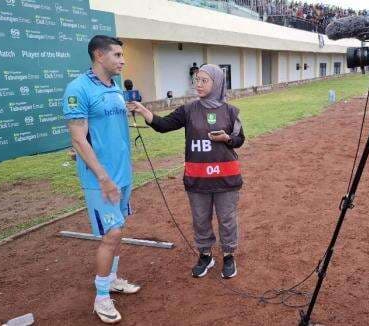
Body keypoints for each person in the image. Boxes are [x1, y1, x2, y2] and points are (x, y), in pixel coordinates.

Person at [127, 64, 245, 279]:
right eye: (196, 80)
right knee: (200, 219)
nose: (198, 84)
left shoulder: (230, 111)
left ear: (217, 82)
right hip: (198, 179)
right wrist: (144, 110)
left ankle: (228, 255)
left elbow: (239, 140)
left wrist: (226, 139)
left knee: (227, 219)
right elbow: (163, 125)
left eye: (204, 80)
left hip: (226, 178)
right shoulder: (188, 110)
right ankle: (205, 254)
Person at [63, 35, 140, 324]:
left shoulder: (115, 86)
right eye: (117, 55)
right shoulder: (78, 89)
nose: (122, 60)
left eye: (123, 55)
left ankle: (113, 278)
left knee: (118, 228)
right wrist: (104, 177)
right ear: (99, 55)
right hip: (101, 179)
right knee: (113, 234)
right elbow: (78, 139)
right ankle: (101, 297)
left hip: (123, 174)